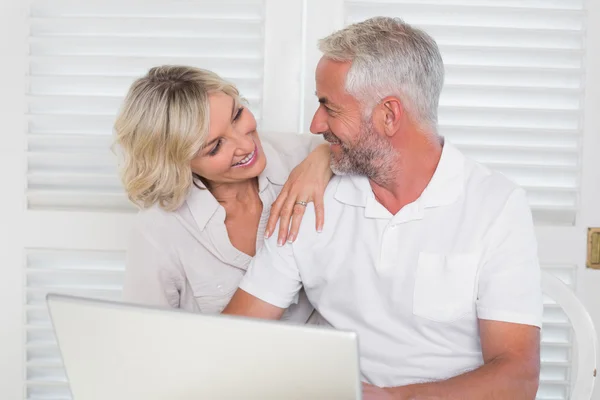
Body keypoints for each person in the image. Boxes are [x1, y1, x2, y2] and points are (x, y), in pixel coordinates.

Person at [224, 17, 543, 399]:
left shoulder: (496, 205)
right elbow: (233, 336)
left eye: (329, 107)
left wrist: (391, 399)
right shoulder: (309, 197)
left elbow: (518, 377)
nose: (315, 123)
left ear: (389, 116)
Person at [114, 66, 333, 322]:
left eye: (237, 115)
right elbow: (146, 336)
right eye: (216, 146)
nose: (246, 145)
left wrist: (323, 157)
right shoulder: (158, 229)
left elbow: (367, 147)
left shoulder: (300, 155)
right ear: (176, 162)